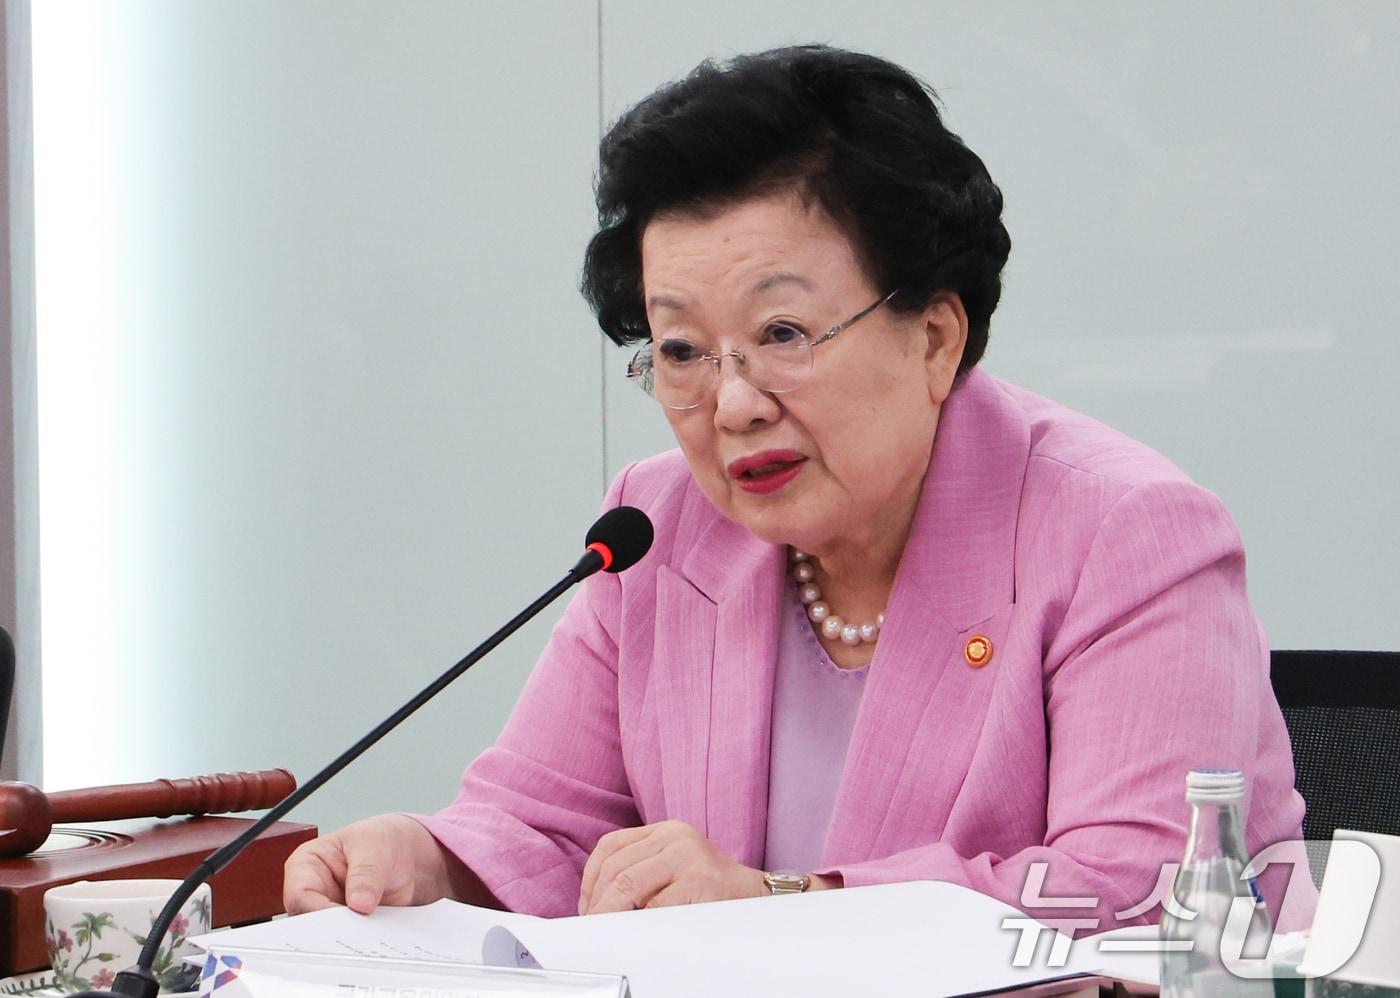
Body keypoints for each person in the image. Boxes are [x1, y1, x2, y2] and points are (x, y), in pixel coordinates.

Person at [283, 45, 1308, 932]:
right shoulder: (659, 528)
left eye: (782, 333)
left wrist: (781, 903)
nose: (732, 404)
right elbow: (545, 828)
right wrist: (425, 861)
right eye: (681, 349)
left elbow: (1140, 894)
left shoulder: (1123, 533)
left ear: (934, 337)